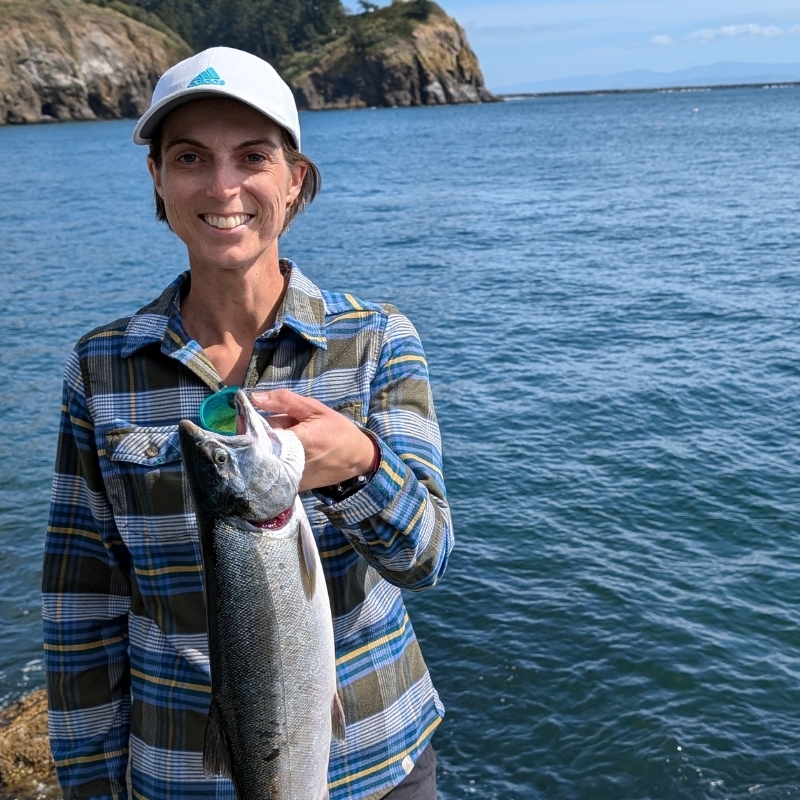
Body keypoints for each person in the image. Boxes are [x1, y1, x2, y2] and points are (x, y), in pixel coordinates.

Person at [42, 46, 453, 800]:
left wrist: (363, 465)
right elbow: (82, 604)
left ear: (293, 181)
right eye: (191, 157)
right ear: (158, 181)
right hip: (176, 774)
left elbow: (426, 559)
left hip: (377, 761)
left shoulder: (376, 342)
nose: (224, 186)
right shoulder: (100, 369)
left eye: (253, 157)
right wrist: (90, 783)